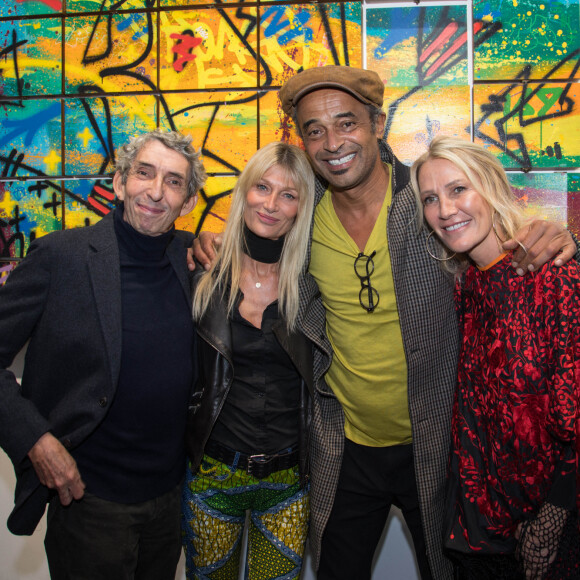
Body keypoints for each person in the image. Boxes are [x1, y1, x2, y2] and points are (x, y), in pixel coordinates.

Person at [192, 65, 580, 580]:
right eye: (314, 130)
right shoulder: (306, 219)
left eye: (347, 123)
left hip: (441, 450)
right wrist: (209, 243)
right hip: (346, 448)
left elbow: (488, 231)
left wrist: (556, 234)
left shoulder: (423, 202)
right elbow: (260, 230)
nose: (333, 142)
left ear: (377, 124)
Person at [0, 129, 206, 580]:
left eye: (173, 182)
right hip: (88, 500)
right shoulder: (62, 256)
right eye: (144, 174)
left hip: (170, 499)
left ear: (187, 202)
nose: (155, 191)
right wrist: (37, 441)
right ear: (118, 183)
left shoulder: (190, 258)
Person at [411, 136, 579, 580]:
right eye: (431, 198)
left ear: (492, 188)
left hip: (547, 536)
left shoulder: (553, 278)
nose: (445, 210)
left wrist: (549, 525)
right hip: (476, 536)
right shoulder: (465, 288)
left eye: (458, 189)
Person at [181, 141, 331, 579]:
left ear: (301, 206)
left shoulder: (313, 284)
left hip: (288, 482)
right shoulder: (201, 273)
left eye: (288, 195)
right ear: (243, 191)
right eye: (262, 188)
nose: (271, 204)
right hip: (213, 475)